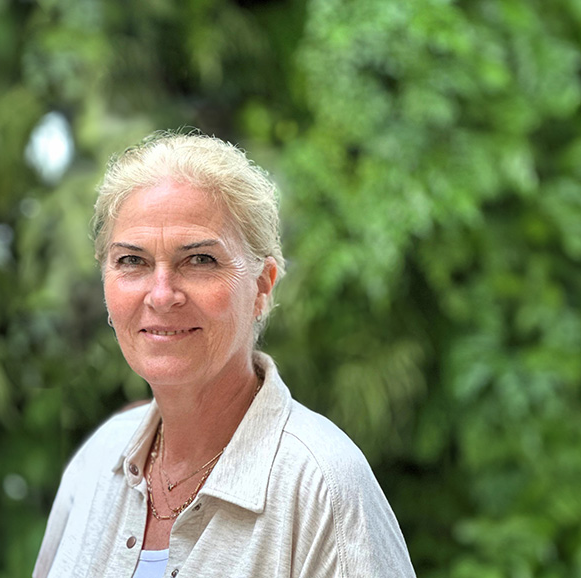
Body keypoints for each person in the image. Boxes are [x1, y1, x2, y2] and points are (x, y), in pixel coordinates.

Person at [33, 131, 416, 578]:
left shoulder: (323, 487)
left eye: (199, 260)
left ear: (262, 286)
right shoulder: (95, 464)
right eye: (132, 261)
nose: (161, 295)